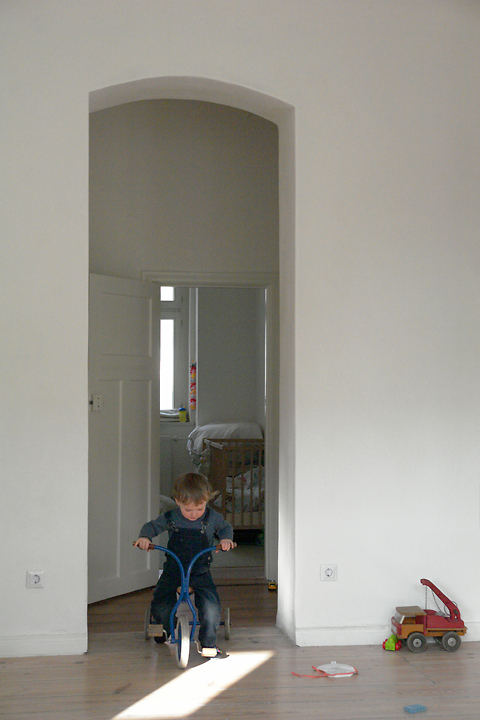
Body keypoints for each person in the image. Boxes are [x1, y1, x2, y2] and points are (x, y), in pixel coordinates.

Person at [134, 472, 235, 657]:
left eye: (199, 508)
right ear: (177, 501)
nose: (194, 514)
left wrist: (226, 539)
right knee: (161, 601)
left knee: (211, 607)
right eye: (188, 509)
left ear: (207, 501)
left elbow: (225, 528)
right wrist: (145, 537)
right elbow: (152, 526)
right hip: (173, 570)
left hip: (200, 571)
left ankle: (208, 643)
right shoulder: (171, 517)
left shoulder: (212, 517)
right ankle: (163, 628)